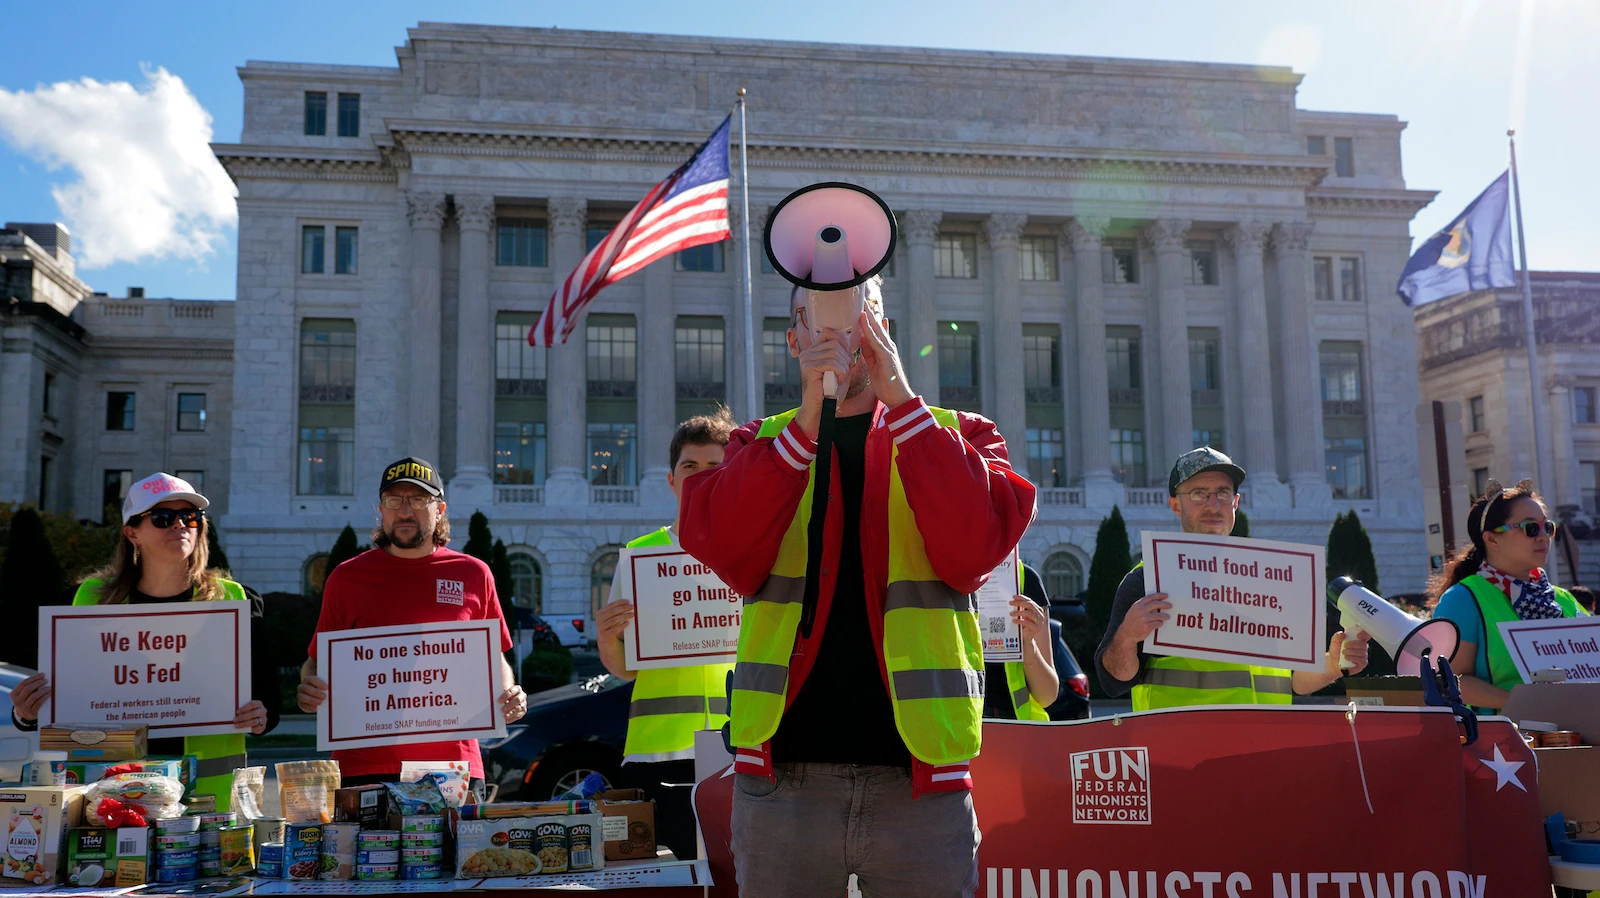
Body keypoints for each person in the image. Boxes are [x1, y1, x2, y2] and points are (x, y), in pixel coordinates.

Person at [679, 279, 1036, 898]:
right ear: (794, 340)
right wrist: (807, 423)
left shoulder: (960, 434)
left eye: (858, 311)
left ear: (885, 329)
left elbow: (971, 552)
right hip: (783, 785)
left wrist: (900, 400)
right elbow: (729, 551)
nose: (841, 334)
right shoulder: (756, 444)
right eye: (817, 318)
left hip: (920, 787)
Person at [9, 473, 279, 811]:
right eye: (163, 518)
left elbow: (268, 701)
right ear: (132, 533)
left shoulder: (234, 600)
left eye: (191, 517)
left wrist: (260, 716)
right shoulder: (85, 601)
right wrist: (25, 713)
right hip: (109, 800)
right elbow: (55, 701)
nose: (180, 525)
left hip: (209, 805)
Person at [295, 457, 527, 792]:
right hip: (364, 763)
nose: (405, 511)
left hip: (453, 764)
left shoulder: (473, 573)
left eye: (418, 500)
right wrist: (309, 688)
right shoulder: (346, 578)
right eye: (394, 501)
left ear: (440, 509)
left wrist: (509, 694)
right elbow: (317, 660)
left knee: (455, 847)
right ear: (381, 509)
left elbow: (494, 656)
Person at [1095, 447, 1370, 709]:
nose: (1213, 505)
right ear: (1175, 505)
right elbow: (1113, 682)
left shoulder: (1272, 579)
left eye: (1223, 493)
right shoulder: (1148, 579)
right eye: (1199, 494)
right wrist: (1127, 637)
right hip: (1180, 750)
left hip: (1262, 747)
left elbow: (1291, 681)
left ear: (1235, 502)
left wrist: (1333, 665)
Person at [594, 408, 737, 860]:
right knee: (675, 880)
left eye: (714, 467)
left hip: (738, 748)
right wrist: (605, 639)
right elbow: (624, 668)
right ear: (672, 480)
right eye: (689, 466)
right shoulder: (640, 558)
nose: (699, 476)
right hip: (659, 755)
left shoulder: (756, 551)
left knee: (738, 877)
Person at [1430, 478, 1589, 710]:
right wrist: (1527, 704)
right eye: (1530, 528)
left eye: (1548, 527)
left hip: (1573, 738)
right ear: (1492, 538)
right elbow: (1449, 681)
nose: (1543, 536)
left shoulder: (1565, 599)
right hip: (1498, 741)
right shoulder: (1463, 599)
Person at [981, 564, 1058, 720]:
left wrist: (1028, 643)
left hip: (1010, 726)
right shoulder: (935, 571)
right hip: (949, 727)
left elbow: (1047, 695)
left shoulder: (1024, 577)